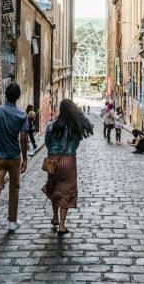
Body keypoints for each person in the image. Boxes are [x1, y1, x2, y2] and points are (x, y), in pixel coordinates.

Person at [0, 82, 29, 244]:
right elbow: (23, 138)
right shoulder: (21, 115)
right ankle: (11, 222)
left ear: (5, 95)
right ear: (18, 97)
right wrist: (25, 157)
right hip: (14, 157)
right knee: (14, 189)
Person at [43, 99, 93, 235]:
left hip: (53, 160)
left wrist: (54, 151)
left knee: (53, 188)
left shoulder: (51, 125)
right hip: (69, 161)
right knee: (65, 192)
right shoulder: (74, 127)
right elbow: (76, 145)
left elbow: (47, 142)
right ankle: (61, 226)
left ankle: (54, 217)